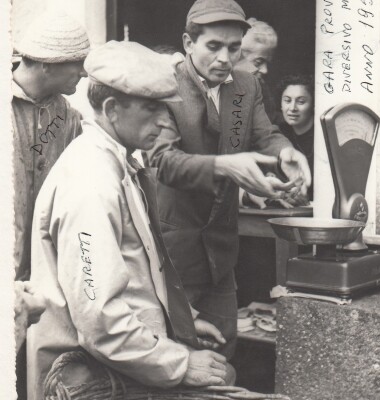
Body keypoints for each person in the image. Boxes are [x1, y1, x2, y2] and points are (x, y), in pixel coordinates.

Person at [27, 41, 235, 400]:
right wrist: (182, 363)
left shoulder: (117, 163)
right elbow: (100, 322)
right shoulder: (91, 183)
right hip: (86, 378)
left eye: (166, 109)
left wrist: (181, 318)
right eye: (152, 109)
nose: (164, 122)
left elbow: (136, 273)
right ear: (111, 109)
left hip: (123, 361)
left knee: (226, 373)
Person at [148, 0, 311, 359]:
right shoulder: (164, 85)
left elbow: (263, 133)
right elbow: (163, 162)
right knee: (176, 361)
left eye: (234, 48)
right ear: (188, 43)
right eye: (213, 46)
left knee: (223, 354)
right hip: (173, 256)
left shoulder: (245, 85)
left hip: (222, 254)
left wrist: (285, 152)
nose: (225, 58)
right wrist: (225, 166)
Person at [13, 10, 90, 281]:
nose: (84, 71)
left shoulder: (67, 115)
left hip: (44, 274)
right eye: (78, 62)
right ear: (48, 64)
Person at [234, 17, 279, 122]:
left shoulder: (262, 93)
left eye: (267, 63)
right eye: (259, 62)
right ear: (237, 57)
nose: (265, 70)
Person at [278, 74, 314, 200]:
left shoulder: (321, 134)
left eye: (301, 102)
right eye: (287, 101)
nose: (292, 108)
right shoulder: (279, 133)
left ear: (313, 105)